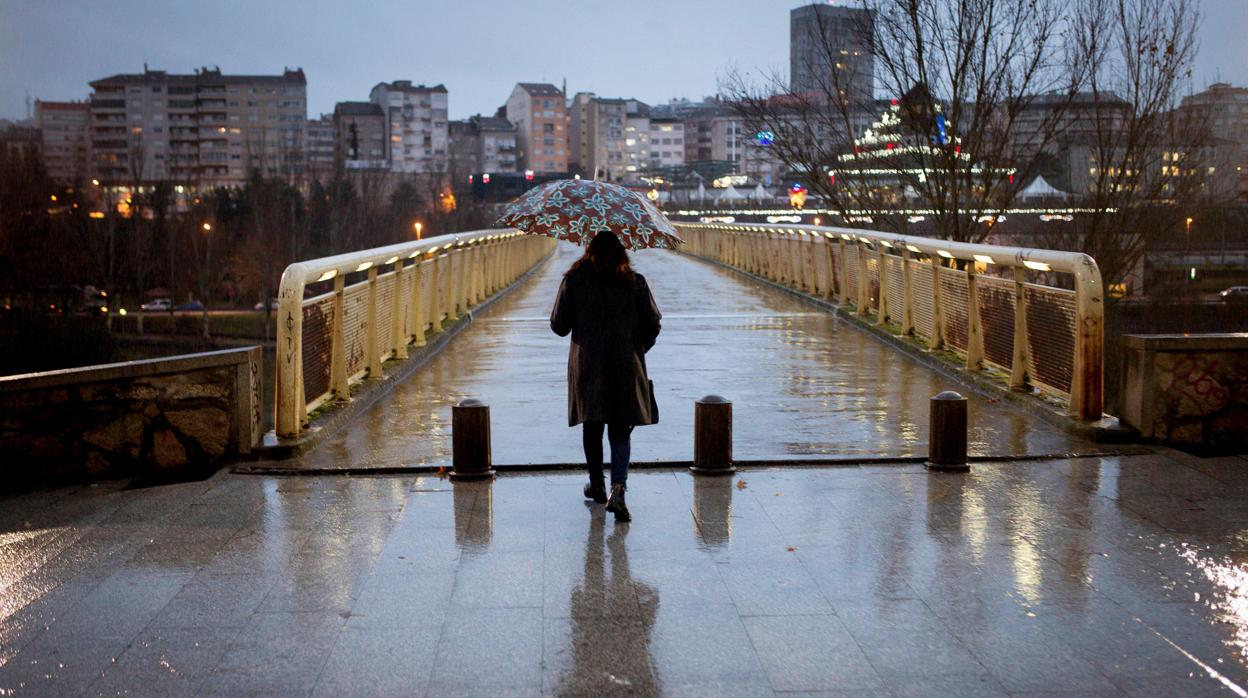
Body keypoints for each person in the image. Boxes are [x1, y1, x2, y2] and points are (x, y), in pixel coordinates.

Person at [551, 231, 661, 522]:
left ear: (589, 251)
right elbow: (653, 323)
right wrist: (637, 350)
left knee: (593, 424)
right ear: (622, 253)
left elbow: (559, 325)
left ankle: (597, 483)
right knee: (620, 428)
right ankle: (619, 487)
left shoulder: (574, 280)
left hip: (588, 364)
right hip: (625, 363)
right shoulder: (634, 283)